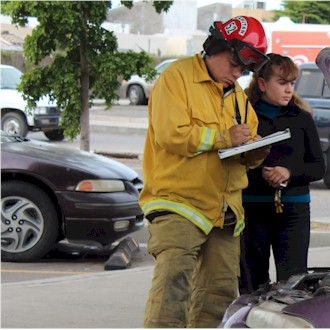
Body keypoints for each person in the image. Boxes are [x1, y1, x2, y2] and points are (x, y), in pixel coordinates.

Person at [138, 16, 270, 328]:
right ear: (215, 48)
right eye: (234, 64)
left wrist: (256, 152)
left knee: (218, 298)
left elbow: (243, 144)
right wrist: (224, 137)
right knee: (172, 290)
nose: (237, 73)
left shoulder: (236, 95)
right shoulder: (176, 77)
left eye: (244, 69)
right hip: (178, 204)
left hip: (224, 212)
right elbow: (170, 134)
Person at [239, 54, 325, 293]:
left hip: (294, 211)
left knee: (293, 284)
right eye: (282, 83)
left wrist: (289, 172)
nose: (289, 90)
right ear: (262, 83)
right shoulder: (245, 116)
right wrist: (261, 172)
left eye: (292, 83)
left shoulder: (302, 118)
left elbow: (318, 167)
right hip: (252, 209)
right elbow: (231, 161)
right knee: (251, 284)